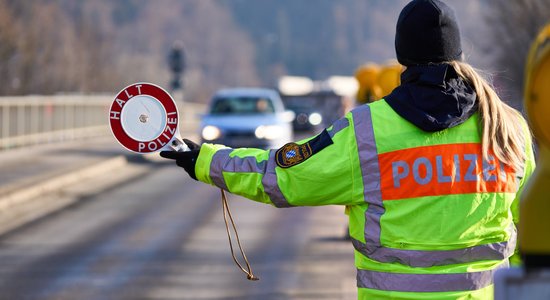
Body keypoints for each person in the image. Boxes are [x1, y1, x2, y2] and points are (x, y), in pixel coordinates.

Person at [160, 0, 536, 299]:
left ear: (401, 55)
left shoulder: (368, 131)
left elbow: (283, 177)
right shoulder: (508, 129)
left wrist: (204, 160)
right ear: (458, 52)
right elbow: (529, 229)